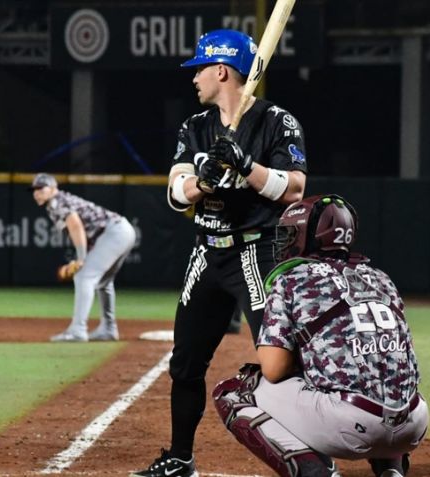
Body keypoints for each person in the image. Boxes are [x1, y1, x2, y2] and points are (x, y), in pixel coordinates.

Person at [132, 29, 307, 477]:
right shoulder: (196, 127)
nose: (193, 78)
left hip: (257, 251)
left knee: (281, 364)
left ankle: (311, 457)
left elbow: (295, 189)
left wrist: (247, 168)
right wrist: (204, 181)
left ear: (222, 71)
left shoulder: (276, 121)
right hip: (207, 252)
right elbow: (176, 193)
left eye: (199, 68)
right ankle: (180, 457)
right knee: (186, 363)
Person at [213, 194, 428, 477]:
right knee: (378, 379)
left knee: (233, 392)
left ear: (310, 236)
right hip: (413, 422)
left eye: (292, 233)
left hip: (350, 426)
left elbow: (274, 369)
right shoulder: (380, 277)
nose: (285, 241)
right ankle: (391, 468)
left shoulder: (290, 279)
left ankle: (314, 472)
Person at [31, 173, 137, 342]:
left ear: (53, 189)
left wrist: (81, 258)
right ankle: (108, 328)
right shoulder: (55, 203)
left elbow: (76, 226)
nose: (36, 192)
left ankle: (77, 330)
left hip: (113, 233)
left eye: (40, 188)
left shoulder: (57, 201)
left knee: (84, 276)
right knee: (103, 281)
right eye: (34, 189)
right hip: (121, 231)